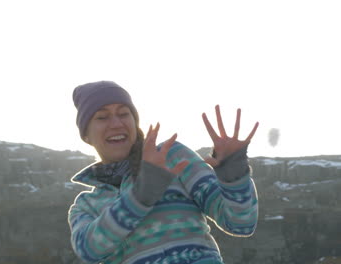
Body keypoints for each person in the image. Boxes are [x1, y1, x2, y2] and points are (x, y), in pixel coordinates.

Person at [68, 81, 259, 264]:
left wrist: (234, 174)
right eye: (102, 117)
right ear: (86, 135)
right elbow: (88, 251)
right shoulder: (85, 205)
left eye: (124, 114)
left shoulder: (173, 157)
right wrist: (140, 197)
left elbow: (241, 223)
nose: (116, 123)